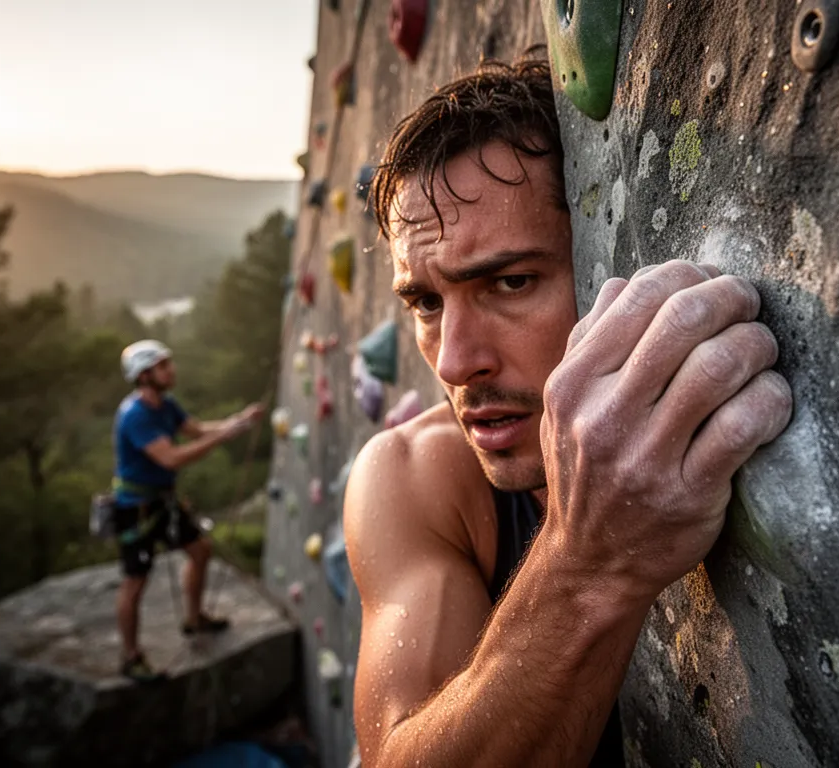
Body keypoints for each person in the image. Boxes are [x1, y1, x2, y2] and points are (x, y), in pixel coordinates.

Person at [343, 52, 793, 767]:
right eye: (426, 301)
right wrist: (589, 564)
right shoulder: (412, 476)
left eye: (512, 281)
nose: (456, 362)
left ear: (601, 263)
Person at [113, 339, 264, 682]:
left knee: (200, 550)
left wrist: (237, 422)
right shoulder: (135, 416)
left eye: (169, 364)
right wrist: (224, 436)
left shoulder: (165, 405)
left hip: (161, 499)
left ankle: (194, 618)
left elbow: (195, 429)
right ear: (146, 375)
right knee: (135, 581)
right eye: (164, 366)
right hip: (135, 507)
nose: (172, 370)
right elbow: (172, 457)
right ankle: (130, 656)